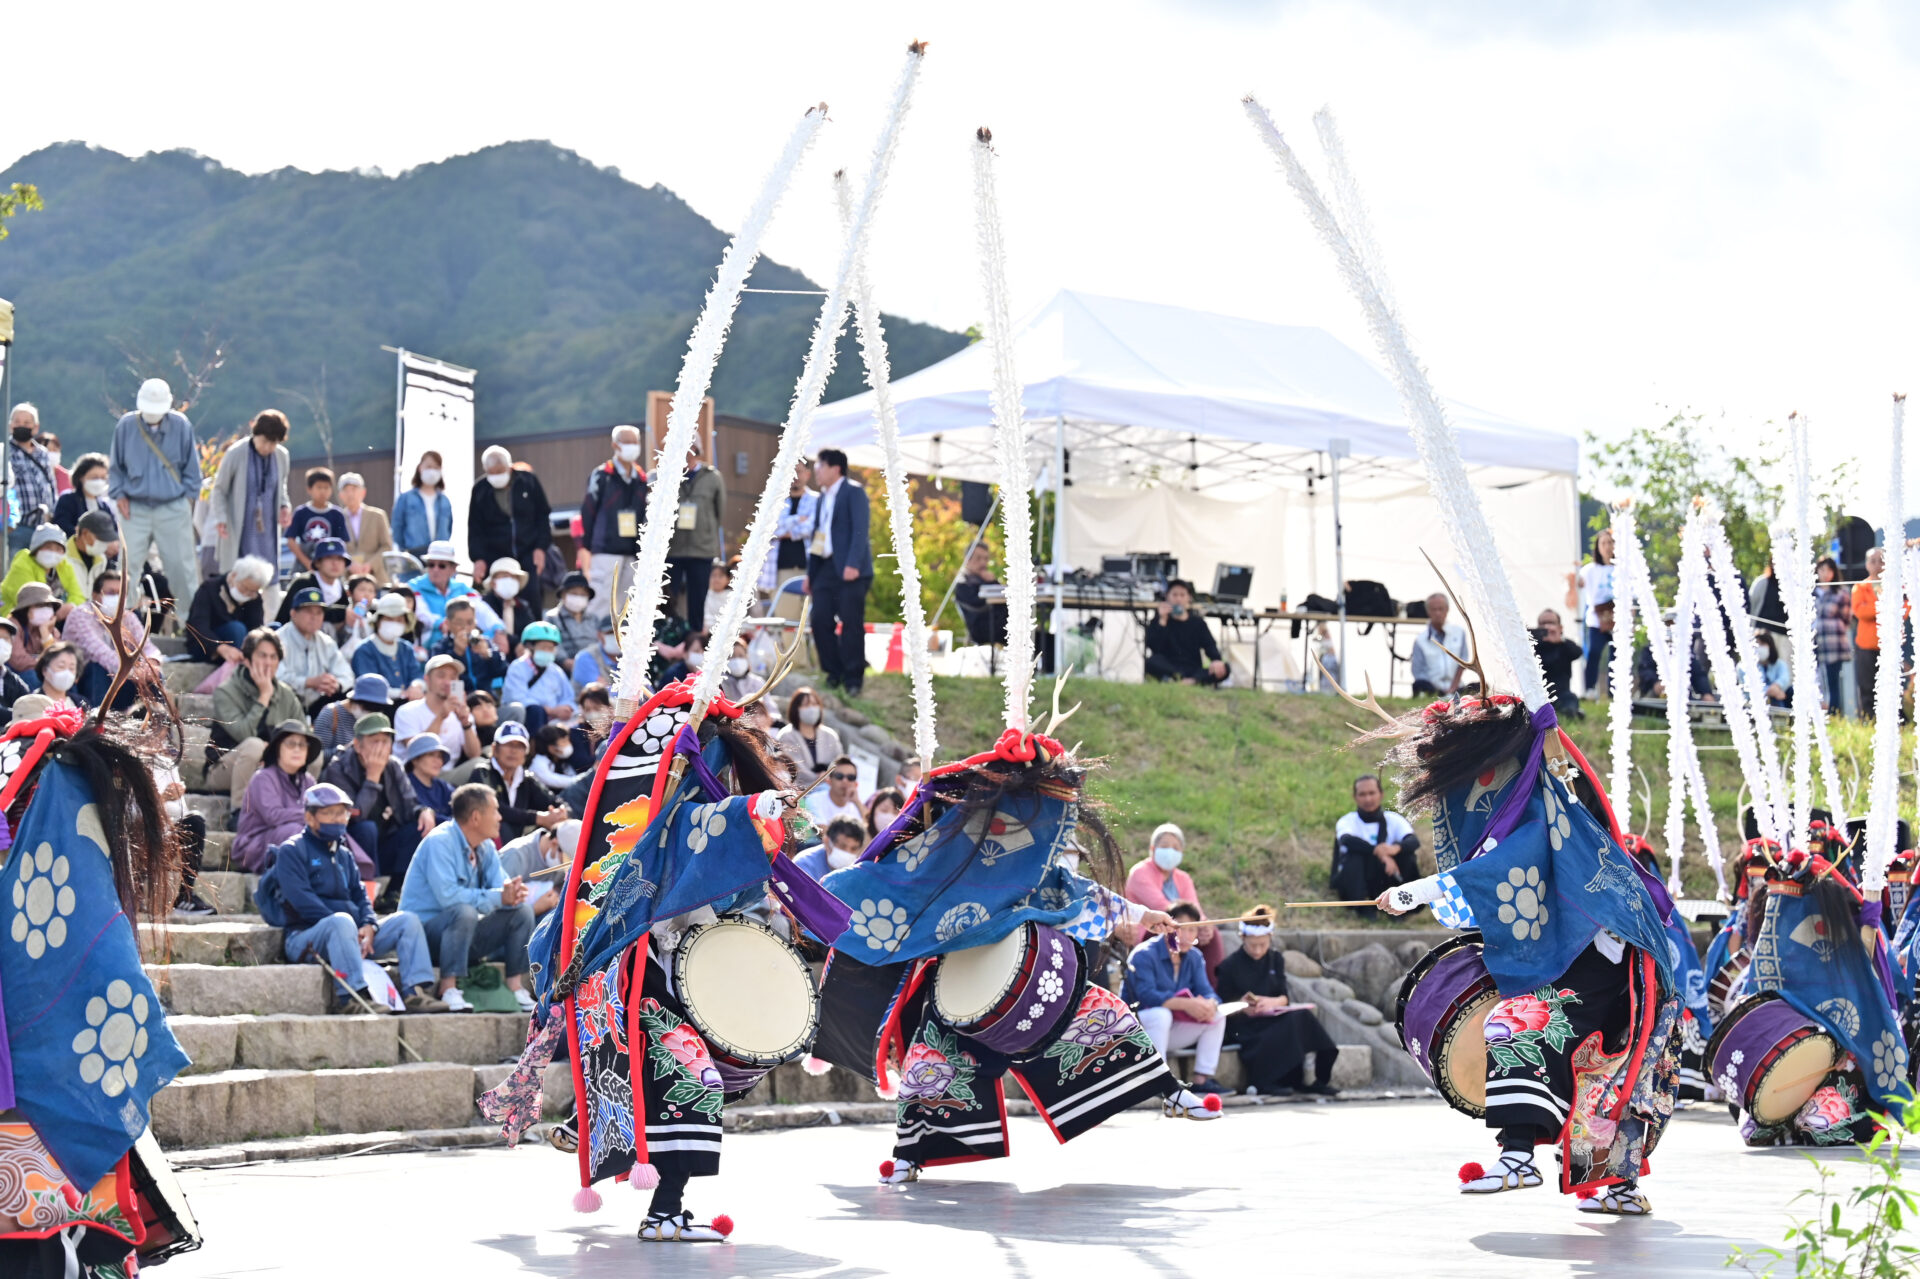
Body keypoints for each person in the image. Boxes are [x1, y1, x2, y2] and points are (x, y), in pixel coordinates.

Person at [1375, 692, 1679, 1215]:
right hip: (1585, 948)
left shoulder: (1543, 803)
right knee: (1597, 1064)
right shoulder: (1538, 796)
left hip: (1610, 948)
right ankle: (1612, 1183)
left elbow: (1510, 864)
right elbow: (1504, 869)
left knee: (1523, 1026)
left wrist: (1418, 891)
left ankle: (1520, 1158)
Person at [264, 782, 447, 1014]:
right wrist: (351, 929)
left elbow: (360, 895)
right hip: (306, 936)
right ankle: (352, 998)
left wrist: (369, 924)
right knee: (340, 921)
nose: (338, 819)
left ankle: (415, 992)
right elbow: (302, 901)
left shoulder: (344, 854)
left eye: (342, 813)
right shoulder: (292, 851)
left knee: (407, 921)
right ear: (310, 818)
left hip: (351, 933)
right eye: (329, 813)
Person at [398, 782, 537, 1014]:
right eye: (495, 810)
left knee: (521, 912)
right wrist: (498, 897)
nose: (500, 817)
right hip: (426, 938)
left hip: (463, 935)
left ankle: (515, 987)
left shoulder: (486, 847)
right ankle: (448, 987)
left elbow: (500, 888)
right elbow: (449, 898)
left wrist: (512, 894)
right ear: (475, 817)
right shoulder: (439, 842)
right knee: (463, 910)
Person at [1213, 905, 1340, 1095]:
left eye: (1262, 945)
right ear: (1243, 938)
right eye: (1253, 945)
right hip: (1244, 1022)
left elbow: (1284, 996)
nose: (1257, 950)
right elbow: (1223, 1005)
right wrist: (1243, 1005)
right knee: (1275, 1032)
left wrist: (1272, 1002)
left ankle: (1319, 1077)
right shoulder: (1229, 966)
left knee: (1302, 1017)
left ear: (1270, 940)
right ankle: (1267, 1081)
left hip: (1273, 1013)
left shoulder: (1276, 959)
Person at [108, 378, 199, 613]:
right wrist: (119, 495)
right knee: (127, 568)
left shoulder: (181, 425)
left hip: (172, 505)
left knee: (182, 569)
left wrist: (185, 503)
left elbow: (192, 471)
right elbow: (116, 469)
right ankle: (124, 621)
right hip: (134, 507)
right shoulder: (126, 426)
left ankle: (190, 627)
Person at [1125, 901, 1230, 1094]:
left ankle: (1202, 1078)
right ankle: (1159, 1081)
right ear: (1167, 927)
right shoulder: (1144, 954)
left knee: (1217, 1015)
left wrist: (1210, 1004)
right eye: (1180, 929)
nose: (1185, 936)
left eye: (1192, 931)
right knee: (1161, 1015)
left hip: (1169, 1029)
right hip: (1138, 1029)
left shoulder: (1195, 957)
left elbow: (1208, 991)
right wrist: (1186, 1004)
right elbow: (1146, 996)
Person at [322, 710, 435, 885]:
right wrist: (372, 779)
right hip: (354, 844)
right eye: (375, 741)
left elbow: (410, 804)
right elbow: (352, 816)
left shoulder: (393, 765)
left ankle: (397, 890)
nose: (382, 748)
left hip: (386, 840)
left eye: (385, 741)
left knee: (419, 827)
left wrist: (424, 811)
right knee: (367, 829)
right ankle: (370, 887)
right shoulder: (338, 769)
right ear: (358, 745)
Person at [804, 448, 870, 695]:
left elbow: (861, 530)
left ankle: (853, 679)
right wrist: (811, 575)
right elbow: (817, 536)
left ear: (835, 468)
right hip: (825, 567)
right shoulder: (822, 497)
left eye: (820, 465)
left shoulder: (854, 491)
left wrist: (853, 563)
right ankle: (834, 672)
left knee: (851, 623)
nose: (816, 471)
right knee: (819, 619)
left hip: (852, 569)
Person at [1124, 823, 1225, 979]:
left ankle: (1211, 991)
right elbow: (1162, 907)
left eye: (1176, 848)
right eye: (1165, 846)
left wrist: (1203, 924)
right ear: (1152, 848)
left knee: (1210, 934)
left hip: (1182, 927)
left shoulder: (1183, 878)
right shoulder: (1139, 873)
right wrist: (1188, 926)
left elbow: (1194, 908)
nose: (1170, 851)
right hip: (1152, 929)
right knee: (1166, 931)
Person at [209, 409, 293, 576]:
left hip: (268, 528)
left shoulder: (282, 456)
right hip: (240, 527)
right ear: (255, 433)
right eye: (264, 441)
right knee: (238, 576)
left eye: (273, 443)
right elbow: (219, 489)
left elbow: (281, 486)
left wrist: (284, 506)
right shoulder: (235, 452)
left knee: (269, 576)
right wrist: (220, 518)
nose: (268, 447)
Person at [63, 569, 160, 709]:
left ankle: (159, 726)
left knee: (154, 675)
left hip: (121, 678)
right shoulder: (81, 614)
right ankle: (96, 723)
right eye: (110, 593)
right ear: (95, 595)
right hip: (83, 680)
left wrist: (151, 663)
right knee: (98, 667)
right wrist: (133, 671)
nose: (117, 597)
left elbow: (148, 647)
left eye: (121, 593)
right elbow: (100, 652)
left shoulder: (128, 617)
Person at [577, 424, 648, 616]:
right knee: (601, 600)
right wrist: (589, 545)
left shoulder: (643, 479)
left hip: (633, 550)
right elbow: (588, 511)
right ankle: (594, 642)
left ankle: (621, 644)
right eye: (627, 442)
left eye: (635, 442)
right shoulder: (601, 476)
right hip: (605, 549)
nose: (632, 446)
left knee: (628, 603)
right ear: (615, 445)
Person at [234, 719, 322, 872]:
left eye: (302, 745)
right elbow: (273, 816)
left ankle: (359, 877)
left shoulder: (308, 780)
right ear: (277, 748)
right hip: (255, 845)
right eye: (290, 744)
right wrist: (313, 815)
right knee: (296, 832)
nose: (297, 749)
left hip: (291, 839)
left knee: (335, 830)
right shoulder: (263, 778)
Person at [1331, 775, 1421, 918]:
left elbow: (1413, 841)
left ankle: (1403, 905)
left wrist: (1394, 849)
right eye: (1362, 794)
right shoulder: (1348, 821)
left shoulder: (1394, 819)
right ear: (1355, 797)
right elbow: (1347, 840)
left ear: (1381, 794)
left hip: (1388, 876)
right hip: (1360, 878)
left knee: (1407, 856)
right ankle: (1361, 908)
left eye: (1372, 793)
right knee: (1355, 855)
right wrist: (1379, 853)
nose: (1368, 799)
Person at [468, 445, 551, 583]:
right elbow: (475, 528)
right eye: (491, 473)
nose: (496, 476)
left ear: (509, 467)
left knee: (531, 598)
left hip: (528, 553)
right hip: (495, 558)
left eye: (499, 471)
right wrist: (478, 558)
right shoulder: (480, 490)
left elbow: (543, 516)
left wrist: (541, 548)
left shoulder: (528, 481)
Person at [475, 719, 568, 841]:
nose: (513, 751)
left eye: (520, 746)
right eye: (508, 744)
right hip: (485, 840)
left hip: (514, 843)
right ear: (494, 749)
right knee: (503, 827)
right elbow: (495, 809)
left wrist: (561, 812)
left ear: (526, 753)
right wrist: (538, 818)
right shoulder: (482, 772)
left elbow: (553, 801)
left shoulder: (527, 778)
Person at [276, 584, 355, 713]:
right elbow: (275, 678)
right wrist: (309, 682)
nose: (314, 617)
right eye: (308, 611)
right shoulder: (278, 639)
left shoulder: (326, 641)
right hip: (285, 705)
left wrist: (335, 685)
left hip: (318, 704)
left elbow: (347, 675)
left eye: (319, 612)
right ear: (293, 613)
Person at [394, 653, 482, 766]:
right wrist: (440, 717)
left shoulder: (462, 711)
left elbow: (474, 755)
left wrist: (466, 723)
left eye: (453, 677)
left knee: (480, 764)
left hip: (448, 777)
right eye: (441, 676)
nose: (447, 682)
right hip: (413, 776)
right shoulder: (407, 711)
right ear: (427, 680)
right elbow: (418, 753)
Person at [186, 555, 273, 663]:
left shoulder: (254, 598)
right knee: (236, 629)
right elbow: (198, 625)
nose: (246, 594)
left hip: (240, 645)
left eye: (251, 592)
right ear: (234, 576)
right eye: (244, 588)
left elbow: (255, 626)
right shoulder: (209, 588)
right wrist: (220, 647)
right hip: (207, 646)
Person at [493, 816, 581, 918]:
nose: (564, 868)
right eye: (565, 861)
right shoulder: (515, 856)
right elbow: (494, 907)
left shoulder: (557, 863)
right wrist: (534, 909)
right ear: (554, 843)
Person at [1145, 579, 1228, 686]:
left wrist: (1216, 660)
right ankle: (1186, 680)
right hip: (1170, 666)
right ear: (1167, 597)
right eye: (1174, 595)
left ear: (1189, 598)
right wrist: (1162, 621)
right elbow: (1154, 648)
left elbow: (1210, 645)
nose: (1178, 599)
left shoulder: (1198, 623)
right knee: (1151, 662)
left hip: (1193, 668)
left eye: (1182, 595)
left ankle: (1185, 681)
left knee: (1225, 668)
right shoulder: (1160, 620)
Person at [501, 620, 576, 731]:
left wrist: (566, 708)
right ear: (530, 646)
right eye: (543, 647)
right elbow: (518, 699)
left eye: (550, 648)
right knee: (536, 711)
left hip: (555, 720)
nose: (547, 651)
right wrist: (550, 711)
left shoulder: (556, 670)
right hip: (529, 719)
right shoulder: (517, 667)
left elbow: (568, 697)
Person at [1566, 529, 1615, 696]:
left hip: (1617, 618)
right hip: (1597, 619)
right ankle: (1589, 689)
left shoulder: (1622, 569)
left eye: (1610, 542)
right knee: (1594, 653)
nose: (1607, 547)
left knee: (1616, 656)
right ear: (1598, 547)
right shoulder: (1590, 570)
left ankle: (1614, 691)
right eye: (1603, 543)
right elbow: (1578, 583)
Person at [406, 539, 482, 638]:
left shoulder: (463, 589)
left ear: (453, 569)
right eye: (431, 565)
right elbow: (422, 614)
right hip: (426, 647)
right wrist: (441, 624)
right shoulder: (413, 586)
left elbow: (484, 613)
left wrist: (498, 629)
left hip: (460, 641)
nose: (435, 569)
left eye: (442, 566)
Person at [351, 594, 425, 694]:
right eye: (389, 619)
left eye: (399, 620)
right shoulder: (364, 650)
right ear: (378, 621)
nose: (394, 623)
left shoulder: (406, 648)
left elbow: (416, 674)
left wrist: (416, 686)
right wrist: (401, 693)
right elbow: (369, 686)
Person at [0, 522, 84, 611]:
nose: (53, 553)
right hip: (14, 615)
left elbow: (78, 595)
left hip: (48, 616)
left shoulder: (64, 566)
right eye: (48, 547)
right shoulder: (23, 561)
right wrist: (57, 611)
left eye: (58, 549)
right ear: (36, 548)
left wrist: (70, 606)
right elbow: (27, 600)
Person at [5, 402, 59, 540]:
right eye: (17, 421)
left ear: (36, 427)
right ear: (10, 425)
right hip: (16, 527)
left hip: (43, 527)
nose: (21, 425)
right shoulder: (4, 453)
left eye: (27, 422)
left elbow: (52, 485)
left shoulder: (43, 453)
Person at [434, 596, 508, 694]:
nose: (465, 628)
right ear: (448, 623)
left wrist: (488, 655)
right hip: (456, 699)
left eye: (470, 622)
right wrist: (457, 653)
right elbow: (440, 680)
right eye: (459, 623)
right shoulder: (440, 647)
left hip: (485, 698)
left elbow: (503, 671)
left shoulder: (484, 642)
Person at [775, 685, 842, 791]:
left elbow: (839, 761)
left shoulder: (830, 735)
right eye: (806, 705)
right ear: (796, 709)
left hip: (830, 790)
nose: (811, 708)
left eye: (815, 704)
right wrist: (819, 779)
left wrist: (830, 777)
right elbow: (794, 767)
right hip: (798, 792)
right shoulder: (786, 735)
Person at [275, 537, 351, 626]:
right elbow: (289, 618)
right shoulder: (303, 583)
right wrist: (344, 613)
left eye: (339, 559)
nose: (335, 563)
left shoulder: (339, 586)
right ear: (318, 562)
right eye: (329, 558)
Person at [314, 672, 394, 757]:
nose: (372, 713)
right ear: (355, 701)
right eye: (369, 708)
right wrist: (348, 751)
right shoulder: (330, 714)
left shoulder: (379, 719)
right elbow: (317, 756)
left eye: (377, 709)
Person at [286, 467, 350, 571]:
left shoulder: (337, 514)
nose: (323, 491)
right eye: (319, 487)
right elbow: (291, 541)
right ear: (309, 489)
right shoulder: (301, 512)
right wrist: (308, 563)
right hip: (304, 567)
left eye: (326, 487)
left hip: (329, 565)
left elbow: (342, 542)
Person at [394, 450, 453, 559]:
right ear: (420, 468)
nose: (432, 471)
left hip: (439, 556)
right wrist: (405, 550)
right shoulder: (406, 498)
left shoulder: (444, 501)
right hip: (414, 554)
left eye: (436, 467)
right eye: (429, 466)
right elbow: (397, 528)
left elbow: (448, 529)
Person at [770, 460, 818, 596]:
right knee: (785, 615)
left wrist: (783, 530)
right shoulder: (776, 501)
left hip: (810, 567)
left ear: (808, 474)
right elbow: (771, 529)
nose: (795, 476)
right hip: (780, 569)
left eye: (798, 471)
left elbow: (811, 528)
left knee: (810, 616)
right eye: (791, 472)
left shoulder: (817, 500)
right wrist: (798, 519)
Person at [336, 472, 393, 584]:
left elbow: (387, 546)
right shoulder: (337, 518)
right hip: (348, 580)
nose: (350, 494)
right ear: (340, 495)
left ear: (363, 492)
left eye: (354, 489)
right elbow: (337, 549)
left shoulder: (377, 516)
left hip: (377, 578)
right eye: (346, 490)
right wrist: (349, 564)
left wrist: (370, 564)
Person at [1410, 591, 1468, 697]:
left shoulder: (1459, 633)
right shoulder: (1420, 640)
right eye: (1434, 609)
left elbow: (1463, 663)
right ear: (1428, 612)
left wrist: (1453, 687)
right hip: (1432, 689)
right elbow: (1418, 672)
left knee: (1481, 687)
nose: (1438, 613)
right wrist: (1436, 690)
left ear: (1447, 610)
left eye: (1441, 609)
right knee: (1419, 684)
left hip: (1457, 687)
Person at [1813, 556, 1852, 712]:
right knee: (1816, 679)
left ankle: (1834, 713)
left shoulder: (1840, 593)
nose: (1825, 574)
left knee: (1833, 681)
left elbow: (1846, 619)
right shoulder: (1810, 593)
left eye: (1829, 570)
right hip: (1814, 642)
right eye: (1822, 570)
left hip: (1833, 644)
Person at [953, 541, 1009, 646]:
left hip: (1002, 626)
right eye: (978, 558)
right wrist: (992, 582)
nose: (983, 563)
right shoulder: (963, 584)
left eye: (986, 559)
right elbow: (980, 603)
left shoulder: (983, 579)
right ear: (967, 560)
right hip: (985, 630)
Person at [1532, 609, 1586, 717]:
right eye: (1543, 623)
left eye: (1551, 623)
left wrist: (1560, 640)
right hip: (1537, 697)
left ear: (1560, 628)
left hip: (1561, 694)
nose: (1547, 626)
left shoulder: (1564, 645)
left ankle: (1572, 712)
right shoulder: (1532, 646)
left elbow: (1578, 652)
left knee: (1570, 701)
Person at [51, 452, 115, 538]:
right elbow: (62, 526)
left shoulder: (105, 507)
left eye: (103, 478)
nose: (99, 481)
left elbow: (114, 532)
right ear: (81, 477)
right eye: (94, 477)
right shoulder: (67, 500)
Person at [63, 509, 121, 604]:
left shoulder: (102, 559)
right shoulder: (62, 557)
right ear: (85, 533)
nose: (104, 543)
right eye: (101, 538)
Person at [1852, 547, 1883, 719]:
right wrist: (1884, 606)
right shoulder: (1860, 587)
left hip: (1888, 646)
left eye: (1881, 561)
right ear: (1866, 564)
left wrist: (1874, 608)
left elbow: (1904, 608)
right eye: (1873, 561)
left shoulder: (1895, 586)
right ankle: (1869, 721)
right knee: (1867, 686)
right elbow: (1860, 611)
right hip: (1866, 646)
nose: (1877, 565)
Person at [481, 558, 538, 648]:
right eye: (505, 576)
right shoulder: (484, 604)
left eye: (514, 577)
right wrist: (515, 643)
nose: (510, 580)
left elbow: (531, 633)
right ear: (493, 583)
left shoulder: (523, 607)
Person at [793, 816, 867, 881]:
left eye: (853, 849)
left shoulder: (859, 872)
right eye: (842, 846)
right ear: (827, 841)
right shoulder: (804, 865)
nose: (847, 852)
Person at [547, 570, 598, 663]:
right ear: (563, 594)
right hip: (565, 669)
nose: (578, 598)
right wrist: (566, 662)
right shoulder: (551, 618)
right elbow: (550, 644)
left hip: (594, 667)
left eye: (583, 594)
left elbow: (600, 644)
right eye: (574, 593)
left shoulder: (594, 619)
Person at [802, 755, 863, 829]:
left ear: (856, 784)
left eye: (851, 777)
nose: (845, 781)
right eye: (839, 776)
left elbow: (870, 835)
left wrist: (857, 802)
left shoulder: (856, 808)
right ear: (829, 780)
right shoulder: (814, 799)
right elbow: (825, 834)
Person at [568, 612, 620, 691]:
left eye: (621, 633)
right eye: (611, 633)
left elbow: (643, 688)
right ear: (599, 635)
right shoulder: (585, 658)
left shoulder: (631, 657)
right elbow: (600, 693)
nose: (616, 637)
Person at [531, 721, 581, 791]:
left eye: (568, 740)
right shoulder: (538, 762)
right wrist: (582, 779)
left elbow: (572, 775)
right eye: (564, 742)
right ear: (551, 748)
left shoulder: (562, 761)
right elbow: (551, 780)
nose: (568, 744)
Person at [35, 642, 82, 711]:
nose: (66, 673)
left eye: (71, 668)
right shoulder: (32, 702)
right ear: (45, 669)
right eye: (61, 666)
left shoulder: (81, 703)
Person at [1756, 630, 1792, 706]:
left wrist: (1776, 686)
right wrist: (1770, 691)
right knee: (1775, 698)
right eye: (1757, 644)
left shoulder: (1780, 664)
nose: (1759, 647)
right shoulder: (1745, 667)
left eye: (1762, 644)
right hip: (1758, 701)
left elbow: (1785, 679)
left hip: (1781, 696)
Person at [32, 425, 70, 496]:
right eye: (48, 450)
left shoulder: (68, 478)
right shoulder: (30, 475)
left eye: (55, 450)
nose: (51, 453)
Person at [703, 558, 736, 633]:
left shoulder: (732, 596)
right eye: (713, 576)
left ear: (728, 579)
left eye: (720, 576)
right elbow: (705, 618)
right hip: (709, 633)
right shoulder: (705, 595)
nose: (716, 579)